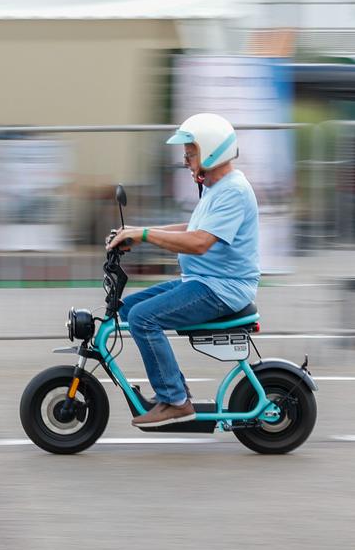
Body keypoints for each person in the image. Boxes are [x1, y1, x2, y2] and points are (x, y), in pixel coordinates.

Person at [106, 113, 260, 427]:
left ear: (213, 151)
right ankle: (175, 390)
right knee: (128, 308)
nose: (186, 160)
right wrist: (137, 232)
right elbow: (192, 228)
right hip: (202, 282)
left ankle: (175, 401)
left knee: (142, 317)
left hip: (221, 289)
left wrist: (144, 235)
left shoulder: (233, 191)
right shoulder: (216, 187)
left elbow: (200, 242)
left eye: (191, 154)